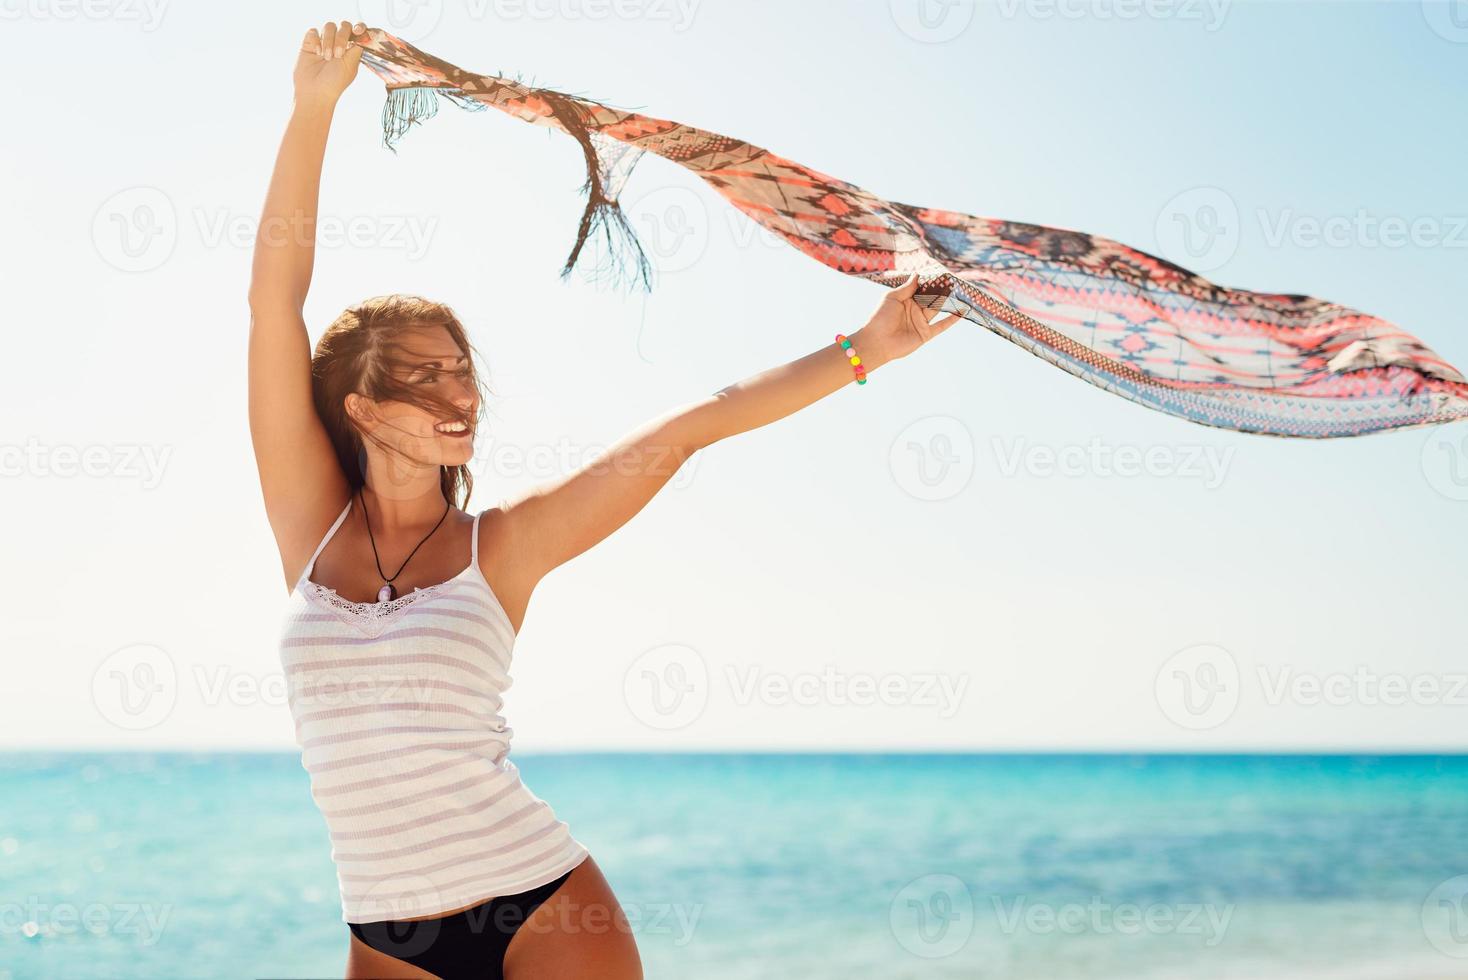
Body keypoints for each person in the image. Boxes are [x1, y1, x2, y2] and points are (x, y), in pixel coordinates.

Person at [248, 20, 960, 980]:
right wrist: (313, 109)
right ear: (361, 406)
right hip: (387, 935)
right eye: (426, 378)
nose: (460, 396)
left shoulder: (500, 546)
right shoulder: (311, 525)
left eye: (463, 372)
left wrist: (866, 350)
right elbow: (273, 304)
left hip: (542, 905)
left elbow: (685, 430)